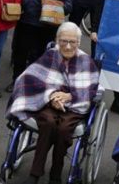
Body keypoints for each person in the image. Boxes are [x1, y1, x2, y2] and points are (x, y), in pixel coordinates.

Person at [6, 22, 99, 184]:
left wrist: (69, 97)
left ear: (78, 42)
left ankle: (56, 174)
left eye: (73, 42)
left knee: (63, 129)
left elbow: (89, 91)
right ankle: (35, 174)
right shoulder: (50, 56)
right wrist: (52, 95)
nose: (68, 46)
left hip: (73, 108)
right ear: (57, 40)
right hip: (48, 104)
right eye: (64, 41)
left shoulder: (86, 61)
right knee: (48, 122)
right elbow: (29, 78)